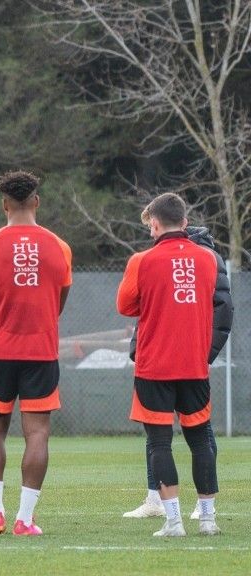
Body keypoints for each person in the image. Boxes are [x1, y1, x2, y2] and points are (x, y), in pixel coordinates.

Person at [0, 170, 71, 537]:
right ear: (36, 202)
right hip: (41, 350)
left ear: (4, 205)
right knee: (38, 433)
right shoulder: (59, 246)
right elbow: (58, 301)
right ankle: (24, 520)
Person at [116, 193, 220, 537]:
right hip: (194, 364)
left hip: (154, 366)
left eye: (150, 226)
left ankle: (174, 521)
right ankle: (207, 519)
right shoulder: (208, 260)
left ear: (155, 224)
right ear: (186, 223)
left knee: (160, 443)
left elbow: (125, 306)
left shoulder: (141, 261)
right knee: (201, 440)